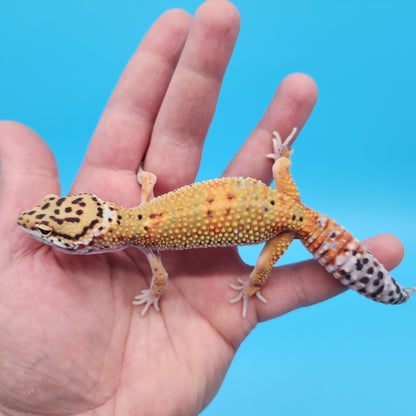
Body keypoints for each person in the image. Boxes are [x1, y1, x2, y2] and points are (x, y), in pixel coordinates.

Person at [0, 1, 403, 414]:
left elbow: (159, 282)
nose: (39, 228)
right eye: (50, 223)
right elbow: (148, 181)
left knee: (261, 267)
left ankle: (372, 291)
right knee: (285, 187)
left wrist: (248, 286)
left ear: (88, 244)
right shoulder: (141, 210)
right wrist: (282, 162)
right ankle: (383, 284)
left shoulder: (148, 246)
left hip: (287, 224)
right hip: (283, 201)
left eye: (50, 231)